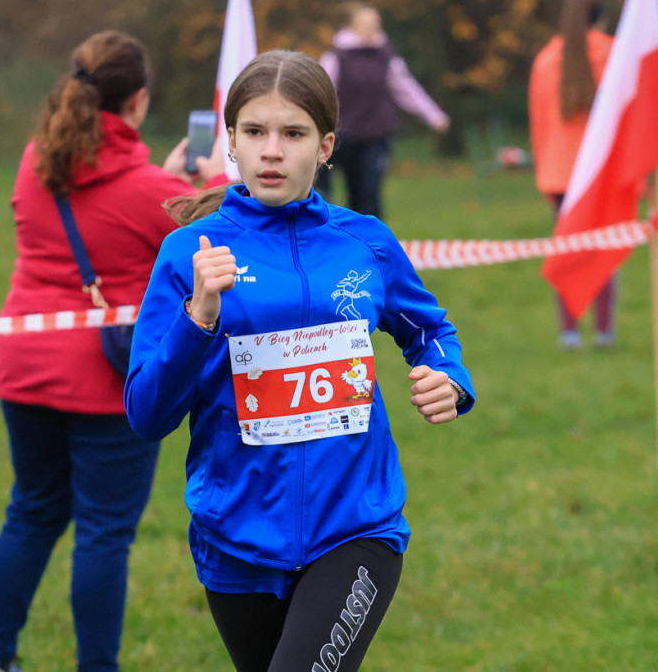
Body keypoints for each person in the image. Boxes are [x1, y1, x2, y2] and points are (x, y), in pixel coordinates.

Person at [124, 50, 475, 672]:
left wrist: (450, 377)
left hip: (356, 529)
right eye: (255, 132)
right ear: (230, 141)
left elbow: (431, 331)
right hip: (235, 539)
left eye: (293, 134)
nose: (271, 151)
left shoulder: (365, 241)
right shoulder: (188, 253)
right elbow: (147, 414)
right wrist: (198, 316)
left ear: (327, 145)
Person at [0, 31, 225, 672]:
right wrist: (212, 176)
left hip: (24, 367)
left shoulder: (36, 163)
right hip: (106, 382)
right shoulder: (147, 189)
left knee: (30, 511)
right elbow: (215, 237)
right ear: (137, 102)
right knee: (105, 533)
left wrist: (166, 176)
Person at [528, 0, 615, 350]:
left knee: (570, 254)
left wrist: (545, 173)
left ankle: (569, 331)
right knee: (604, 254)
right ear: (602, 19)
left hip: (561, 173)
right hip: (601, 171)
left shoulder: (546, 60)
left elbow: (540, 125)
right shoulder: (613, 54)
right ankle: (605, 331)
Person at [314, 0, 450, 220]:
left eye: (375, 24)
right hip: (340, 136)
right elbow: (321, 91)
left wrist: (434, 116)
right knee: (323, 188)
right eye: (366, 24)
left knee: (368, 192)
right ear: (351, 26)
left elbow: (406, 88)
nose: (372, 29)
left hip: (376, 135)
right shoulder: (336, 56)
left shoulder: (385, 55)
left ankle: (372, 244)